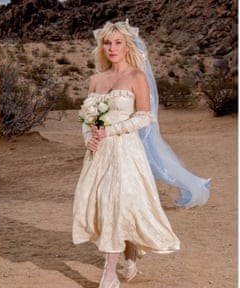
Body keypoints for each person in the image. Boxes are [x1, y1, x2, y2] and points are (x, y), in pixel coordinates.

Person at [72, 20, 186, 288]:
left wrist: (111, 130)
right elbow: (87, 118)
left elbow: (145, 117)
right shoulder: (96, 79)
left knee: (116, 206)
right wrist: (89, 138)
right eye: (107, 43)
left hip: (125, 151)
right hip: (98, 154)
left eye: (118, 42)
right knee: (103, 206)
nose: (112, 48)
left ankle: (109, 275)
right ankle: (131, 254)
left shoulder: (137, 77)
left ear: (127, 46)